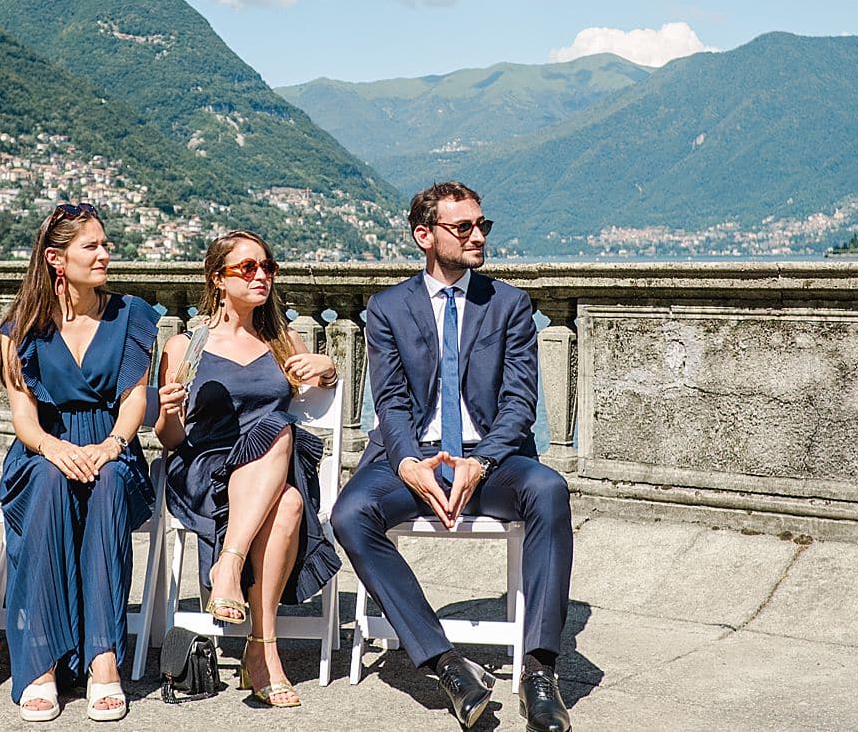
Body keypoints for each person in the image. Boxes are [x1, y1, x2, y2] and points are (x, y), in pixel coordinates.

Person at [331, 182, 574, 732]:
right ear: (425, 235)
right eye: (462, 227)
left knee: (549, 489)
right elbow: (389, 401)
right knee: (350, 513)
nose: (477, 235)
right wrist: (407, 463)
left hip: (490, 460)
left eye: (482, 225)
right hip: (412, 458)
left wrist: (479, 461)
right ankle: (446, 665)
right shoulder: (387, 308)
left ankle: (539, 670)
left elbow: (519, 403)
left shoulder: (508, 303)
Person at [156, 230, 342, 709]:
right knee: (284, 462)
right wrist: (169, 413)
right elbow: (171, 440)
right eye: (247, 268)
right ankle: (260, 651)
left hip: (275, 467)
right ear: (218, 279)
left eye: (268, 267)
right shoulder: (184, 346)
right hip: (206, 469)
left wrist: (328, 368)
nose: (261, 276)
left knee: (286, 465)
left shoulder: (283, 341)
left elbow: (317, 385)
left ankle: (238, 588)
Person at [0, 202, 158, 723]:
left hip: (113, 447)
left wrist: (113, 443)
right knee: (45, 483)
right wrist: (53, 447)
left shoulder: (132, 316)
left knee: (109, 483)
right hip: (44, 447)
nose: (105, 254)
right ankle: (40, 661)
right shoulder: (20, 327)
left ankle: (103, 659)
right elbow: (23, 417)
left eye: (105, 244)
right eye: (92, 246)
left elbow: (135, 398)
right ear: (56, 258)